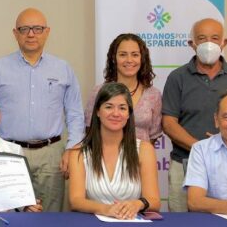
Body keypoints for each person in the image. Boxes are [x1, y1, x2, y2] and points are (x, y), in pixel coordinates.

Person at [0, 8, 85, 212]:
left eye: (37, 29)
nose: (31, 34)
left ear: (47, 32)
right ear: (15, 33)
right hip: (10, 153)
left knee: (50, 217)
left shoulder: (63, 68)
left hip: (51, 155)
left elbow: (75, 114)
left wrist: (72, 149)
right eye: (25, 29)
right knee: (11, 214)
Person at [162, 18, 227, 212]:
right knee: (182, 225)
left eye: (215, 38)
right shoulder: (177, 77)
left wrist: (224, 146)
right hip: (185, 163)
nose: (209, 44)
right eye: (202, 38)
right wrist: (202, 148)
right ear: (192, 44)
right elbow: (169, 123)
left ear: (224, 42)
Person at [68, 82, 160, 219]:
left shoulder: (144, 149)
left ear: (128, 114)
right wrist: (106, 209)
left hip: (131, 223)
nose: (116, 113)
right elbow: (75, 201)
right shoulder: (78, 152)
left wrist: (137, 204)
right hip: (93, 224)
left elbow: (154, 201)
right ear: (97, 111)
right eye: (109, 107)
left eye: (122, 108)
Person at [85, 33, 162, 143]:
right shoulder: (98, 92)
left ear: (142, 59)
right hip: (105, 153)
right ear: (114, 58)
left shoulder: (153, 95)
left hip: (142, 153)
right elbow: (90, 130)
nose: (129, 60)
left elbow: (153, 136)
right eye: (123, 55)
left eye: (135, 55)